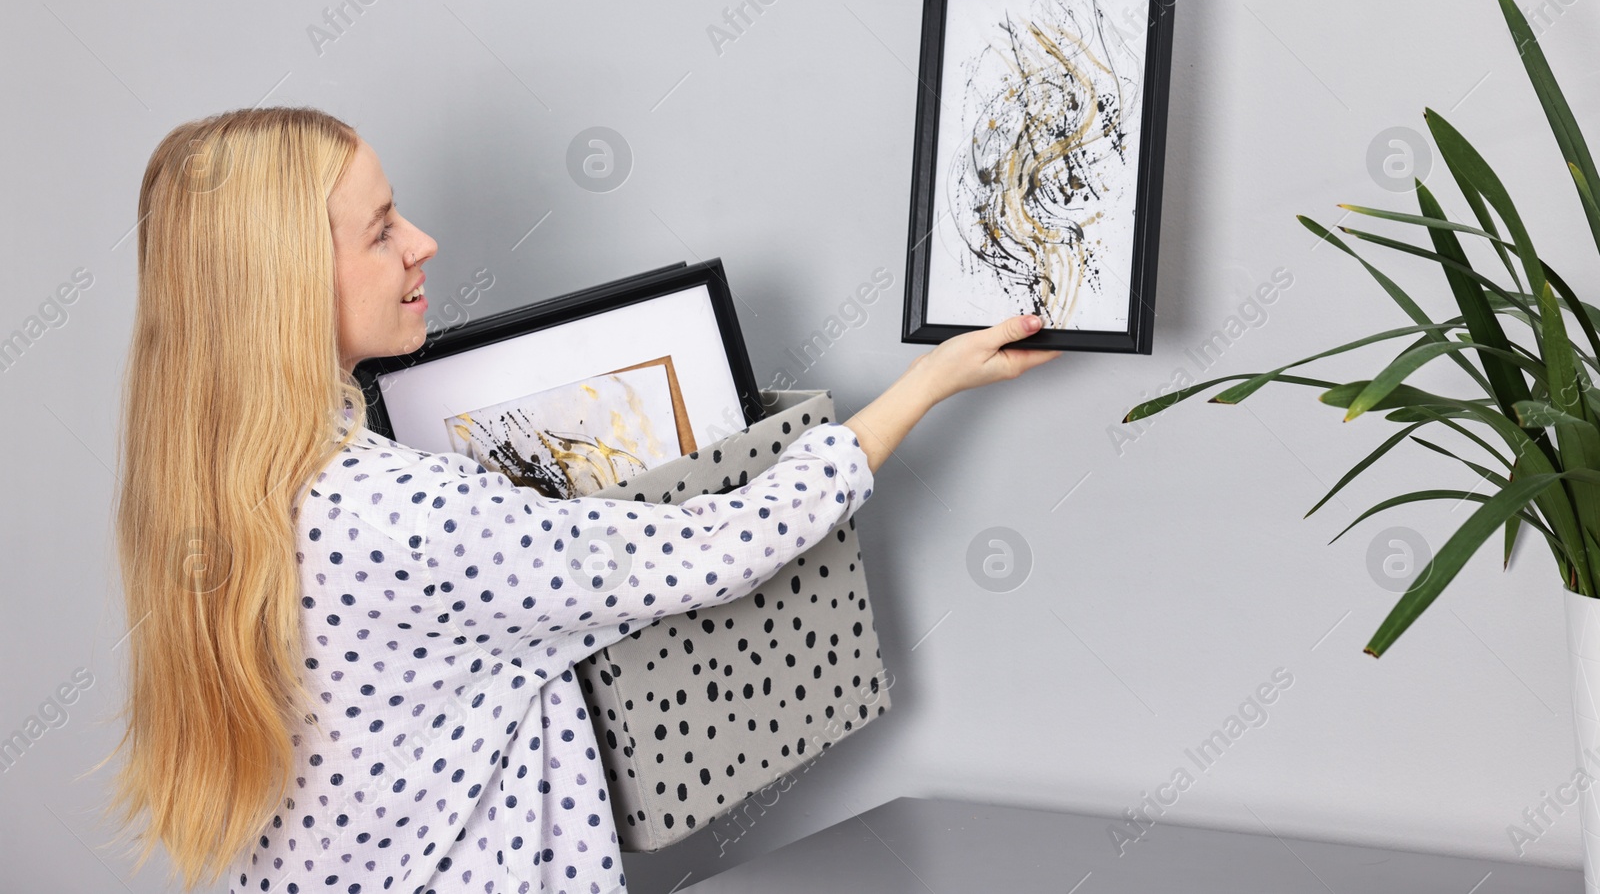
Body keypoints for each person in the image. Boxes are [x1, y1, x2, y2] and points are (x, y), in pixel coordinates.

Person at [105, 106, 1060, 894]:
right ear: (287, 282)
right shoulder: (406, 514)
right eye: (382, 228)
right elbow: (711, 547)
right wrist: (928, 384)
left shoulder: (209, 486)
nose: (422, 243)